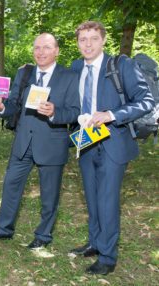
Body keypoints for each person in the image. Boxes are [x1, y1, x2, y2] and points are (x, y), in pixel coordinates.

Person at [70, 21, 154, 275]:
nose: (88, 44)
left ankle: (108, 256)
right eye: (83, 39)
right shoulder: (76, 67)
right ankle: (95, 242)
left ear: (103, 40)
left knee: (107, 199)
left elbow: (146, 101)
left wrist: (111, 114)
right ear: (77, 43)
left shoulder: (121, 65)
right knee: (92, 196)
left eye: (93, 38)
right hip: (86, 141)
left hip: (113, 142)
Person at [0, 33, 80, 249]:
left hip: (52, 143)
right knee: (10, 186)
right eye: (37, 47)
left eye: (46, 47)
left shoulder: (70, 76)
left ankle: (43, 236)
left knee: (49, 194)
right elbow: (13, 104)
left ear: (56, 51)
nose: (41, 52)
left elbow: (75, 111)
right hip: (23, 142)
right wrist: (0, 108)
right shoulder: (24, 73)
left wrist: (55, 112)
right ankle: (3, 230)